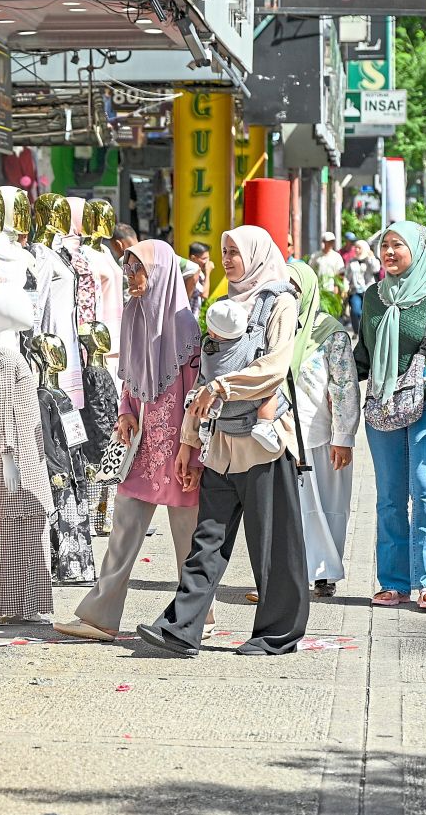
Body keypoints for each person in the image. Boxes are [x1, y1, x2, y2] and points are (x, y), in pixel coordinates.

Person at [136, 225, 309, 657]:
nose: (229, 259)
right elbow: (203, 379)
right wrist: (188, 444)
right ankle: (181, 628)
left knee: (272, 544)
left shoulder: (279, 302)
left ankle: (277, 634)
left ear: (256, 254)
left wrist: (226, 388)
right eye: (224, 251)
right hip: (219, 444)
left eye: (235, 252)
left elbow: (274, 367)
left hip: (263, 444)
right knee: (207, 539)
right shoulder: (225, 306)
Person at [52, 240, 208, 642]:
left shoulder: (187, 329)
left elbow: (195, 398)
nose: (130, 277)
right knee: (123, 529)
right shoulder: (135, 316)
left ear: (158, 274)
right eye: (128, 268)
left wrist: (189, 452)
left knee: (186, 537)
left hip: (178, 451)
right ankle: (101, 616)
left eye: (138, 269)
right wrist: (125, 412)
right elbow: (131, 378)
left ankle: (198, 618)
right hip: (142, 446)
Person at [355, 221, 426, 610]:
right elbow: (363, 356)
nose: (388, 252)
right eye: (384, 245)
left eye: (397, 245)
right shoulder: (373, 297)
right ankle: (392, 582)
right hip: (385, 404)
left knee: (424, 487)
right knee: (389, 495)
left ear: (419, 251)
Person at [288, 261, 360, 598]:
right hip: (283, 433)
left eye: (294, 288)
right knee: (291, 507)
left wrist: (343, 438)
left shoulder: (329, 332)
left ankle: (325, 572)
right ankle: (291, 572)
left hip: (323, 435)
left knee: (329, 504)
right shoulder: (274, 328)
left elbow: (345, 387)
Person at [196, 300, 287, 454]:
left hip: (213, 399)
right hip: (246, 397)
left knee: (202, 397)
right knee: (270, 391)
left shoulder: (208, 346)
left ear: (213, 332)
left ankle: (205, 425)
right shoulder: (248, 342)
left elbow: (203, 374)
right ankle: (264, 424)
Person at [346, 239, 377, 333]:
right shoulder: (352, 261)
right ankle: (357, 331)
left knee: (368, 313)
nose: (356, 250)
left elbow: (376, 269)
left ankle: (367, 332)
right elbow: (347, 276)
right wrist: (345, 287)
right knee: (355, 311)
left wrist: (371, 258)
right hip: (355, 291)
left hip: (368, 291)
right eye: (355, 247)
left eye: (359, 248)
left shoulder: (370, 260)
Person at [311, 231, 345, 295]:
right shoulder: (315, 256)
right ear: (323, 242)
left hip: (331, 289)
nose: (330, 243)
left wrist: (336, 286)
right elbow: (311, 271)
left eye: (332, 241)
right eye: (328, 241)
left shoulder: (336, 256)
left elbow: (340, 273)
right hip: (318, 289)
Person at [188, 241, 213, 314]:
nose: (207, 262)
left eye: (208, 258)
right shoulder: (191, 273)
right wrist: (208, 273)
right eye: (204, 258)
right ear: (193, 258)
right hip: (188, 318)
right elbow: (204, 294)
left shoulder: (200, 272)